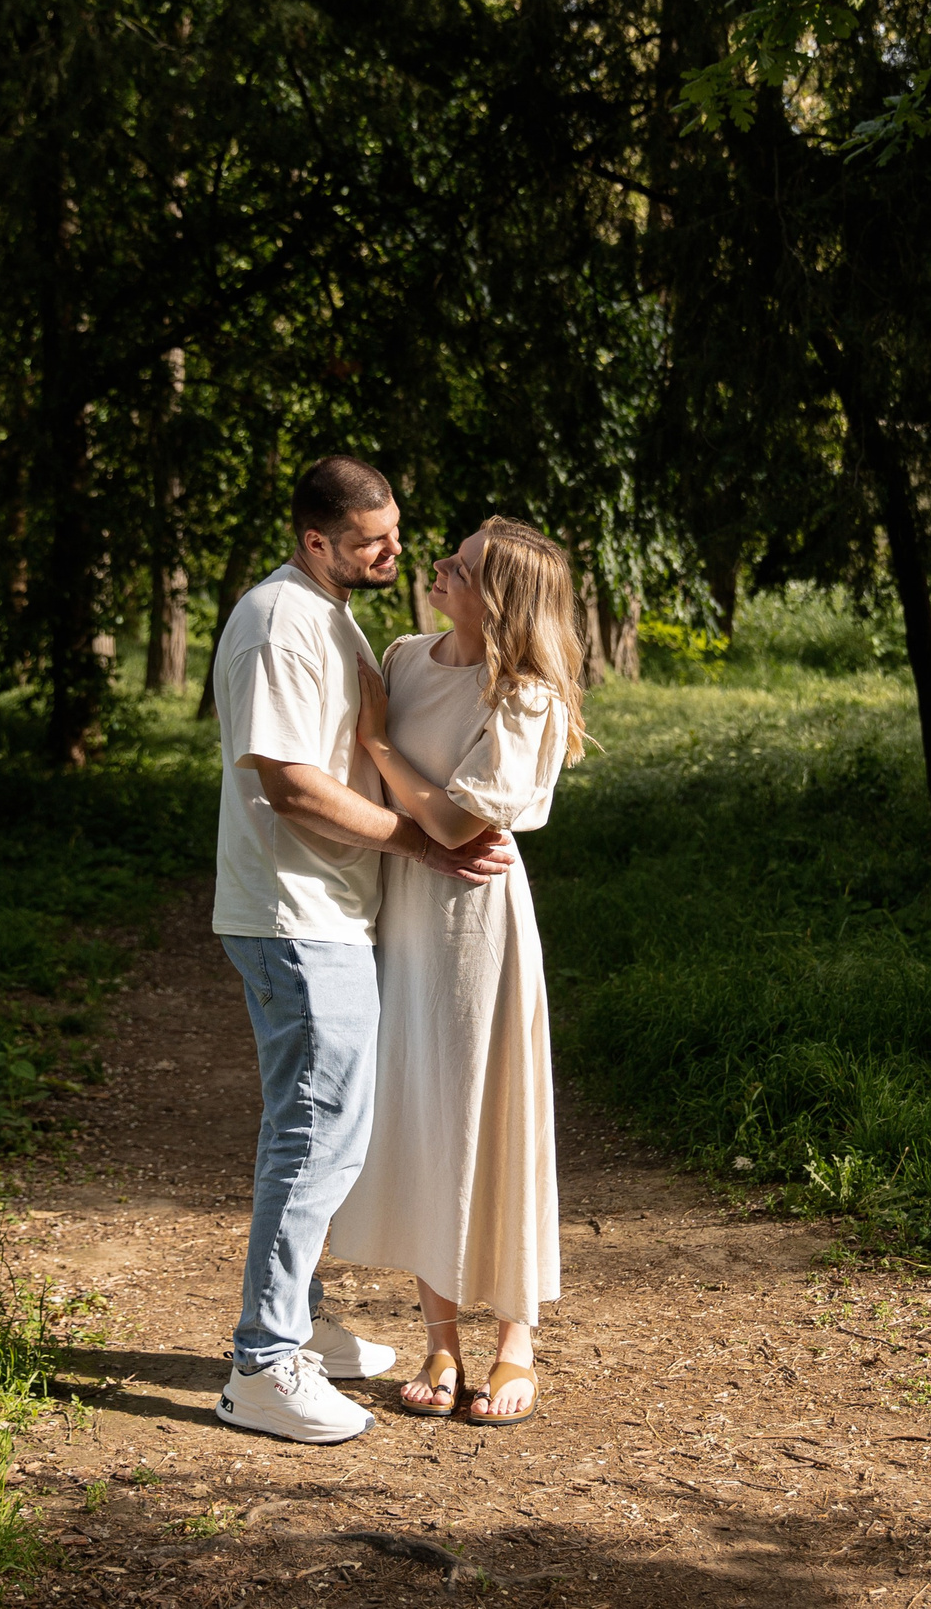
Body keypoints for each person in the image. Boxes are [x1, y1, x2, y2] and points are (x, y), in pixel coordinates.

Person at [210, 455, 516, 1445]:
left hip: (331, 912)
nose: (395, 552)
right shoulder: (276, 623)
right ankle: (263, 1365)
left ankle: (296, 1322)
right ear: (314, 539)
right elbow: (290, 785)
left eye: (395, 531)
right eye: (371, 540)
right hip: (294, 914)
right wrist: (422, 846)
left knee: (324, 1128)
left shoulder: (330, 613)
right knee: (315, 1134)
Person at [332, 516, 586, 1427]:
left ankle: (516, 1337)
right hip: (402, 919)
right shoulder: (403, 656)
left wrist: (379, 745)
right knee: (426, 1112)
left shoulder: (523, 696)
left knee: (497, 1109)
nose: (439, 565)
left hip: (480, 924)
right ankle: (440, 1336)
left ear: (502, 599)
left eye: (463, 566)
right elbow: (410, 817)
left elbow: (454, 827)